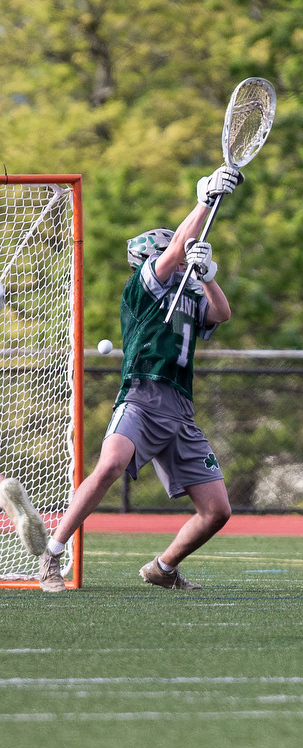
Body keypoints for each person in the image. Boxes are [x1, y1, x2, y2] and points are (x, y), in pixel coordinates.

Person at [37, 166, 242, 592]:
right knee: (110, 464)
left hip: (180, 409)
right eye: (173, 250)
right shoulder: (141, 289)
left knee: (217, 511)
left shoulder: (187, 294)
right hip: (142, 395)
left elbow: (220, 315)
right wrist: (204, 199)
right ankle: (51, 555)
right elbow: (175, 252)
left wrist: (208, 279)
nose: (183, 252)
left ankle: (163, 568)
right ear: (151, 257)